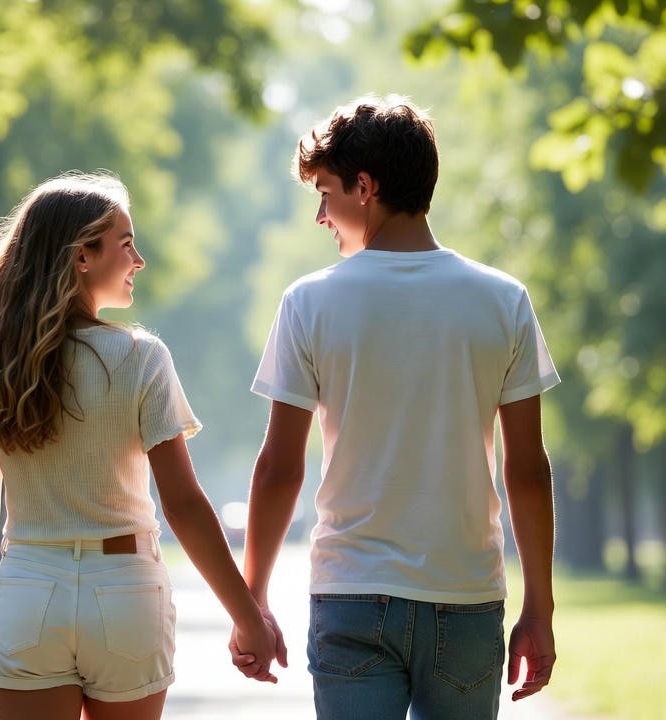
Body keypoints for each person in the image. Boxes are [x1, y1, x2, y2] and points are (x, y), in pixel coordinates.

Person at [231, 95, 560, 719]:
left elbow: (279, 466)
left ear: (365, 186)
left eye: (325, 194)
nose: (321, 216)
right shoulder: (503, 300)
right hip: (465, 597)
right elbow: (527, 469)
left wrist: (254, 600)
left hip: (352, 593)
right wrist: (538, 610)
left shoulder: (309, 304)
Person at [0, 172, 277, 720]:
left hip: (30, 594)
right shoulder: (141, 358)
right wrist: (247, 616)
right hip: (125, 595)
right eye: (127, 245)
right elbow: (184, 505)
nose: (138, 260)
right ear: (83, 256)